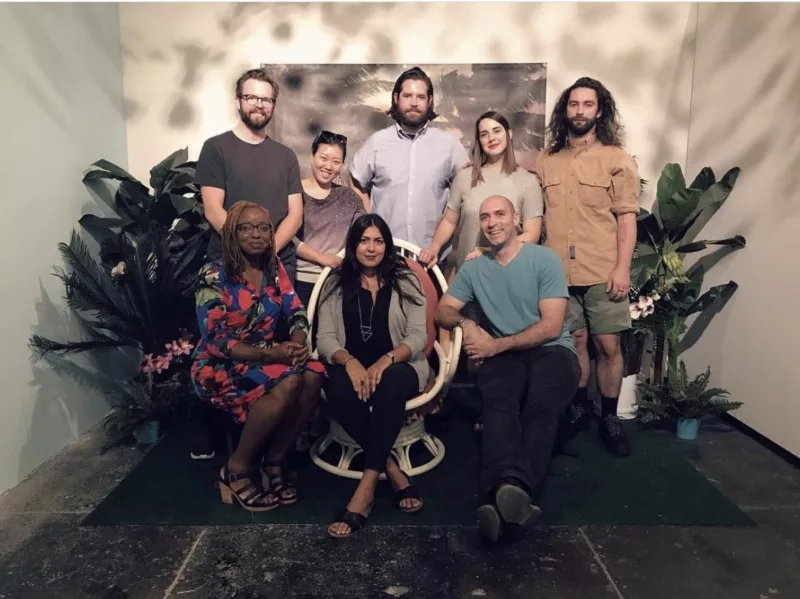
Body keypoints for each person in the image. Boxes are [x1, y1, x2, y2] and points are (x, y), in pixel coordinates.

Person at [435, 195, 580, 542]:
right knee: (499, 404)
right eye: (484, 217)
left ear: (517, 219)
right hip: (504, 356)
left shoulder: (543, 259)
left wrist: (494, 344)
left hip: (552, 350)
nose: (492, 222)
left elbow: (550, 326)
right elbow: (443, 311)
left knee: (541, 405)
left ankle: (503, 491)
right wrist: (467, 326)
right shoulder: (474, 268)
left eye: (500, 214)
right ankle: (514, 496)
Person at [191, 201, 325, 512]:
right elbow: (216, 341)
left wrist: (295, 344)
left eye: (264, 227)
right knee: (288, 383)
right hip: (217, 365)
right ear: (232, 233)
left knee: (314, 373)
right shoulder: (214, 274)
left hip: (266, 356)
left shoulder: (273, 269)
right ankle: (236, 470)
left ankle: (274, 461)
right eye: (247, 227)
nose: (256, 234)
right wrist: (272, 355)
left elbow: (295, 310)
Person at [533, 76, 640, 457]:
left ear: (600, 110)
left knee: (607, 344)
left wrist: (622, 268)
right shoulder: (546, 160)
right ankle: (577, 407)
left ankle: (609, 416)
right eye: (573, 104)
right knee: (574, 341)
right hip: (557, 271)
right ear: (565, 110)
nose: (579, 111)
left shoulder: (616, 160)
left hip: (602, 268)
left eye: (587, 105)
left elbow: (627, 219)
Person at [316, 214, 429, 539]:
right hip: (349, 365)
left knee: (391, 383)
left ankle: (365, 490)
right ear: (353, 245)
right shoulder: (336, 283)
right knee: (336, 386)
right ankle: (391, 469)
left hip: (399, 366)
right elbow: (325, 338)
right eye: (364, 240)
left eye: (378, 240)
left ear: (387, 245)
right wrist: (349, 362)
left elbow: (418, 336)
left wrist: (385, 360)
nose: (371, 247)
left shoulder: (406, 280)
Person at [195, 67, 303, 283]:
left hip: (277, 263)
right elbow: (213, 210)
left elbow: (295, 215)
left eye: (266, 99)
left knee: (283, 318)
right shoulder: (216, 148)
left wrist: (267, 253)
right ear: (238, 101)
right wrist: (246, 253)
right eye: (251, 97)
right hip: (229, 262)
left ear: (273, 105)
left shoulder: (286, 156)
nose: (259, 104)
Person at [349, 66, 469, 250]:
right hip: (385, 254)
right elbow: (356, 181)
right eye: (407, 96)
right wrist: (368, 226)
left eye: (421, 97)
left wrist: (443, 235)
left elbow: (466, 190)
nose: (414, 103)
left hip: (432, 255)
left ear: (429, 101)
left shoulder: (450, 146)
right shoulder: (376, 143)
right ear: (396, 98)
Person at [419, 110, 543, 270]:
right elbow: (449, 221)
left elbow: (532, 235)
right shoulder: (464, 177)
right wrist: (435, 247)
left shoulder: (528, 181)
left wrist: (490, 252)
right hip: (467, 273)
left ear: (509, 134)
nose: (491, 138)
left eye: (497, 131)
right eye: (484, 134)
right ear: (479, 140)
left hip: (510, 272)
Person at [294, 130, 366, 308]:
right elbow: (286, 237)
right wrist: (321, 258)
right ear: (312, 156)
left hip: (337, 282)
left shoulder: (349, 198)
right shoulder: (294, 191)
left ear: (342, 165)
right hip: (299, 280)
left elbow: (364, 232)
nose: (328, 166)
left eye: (336, 161)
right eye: (323, 158)